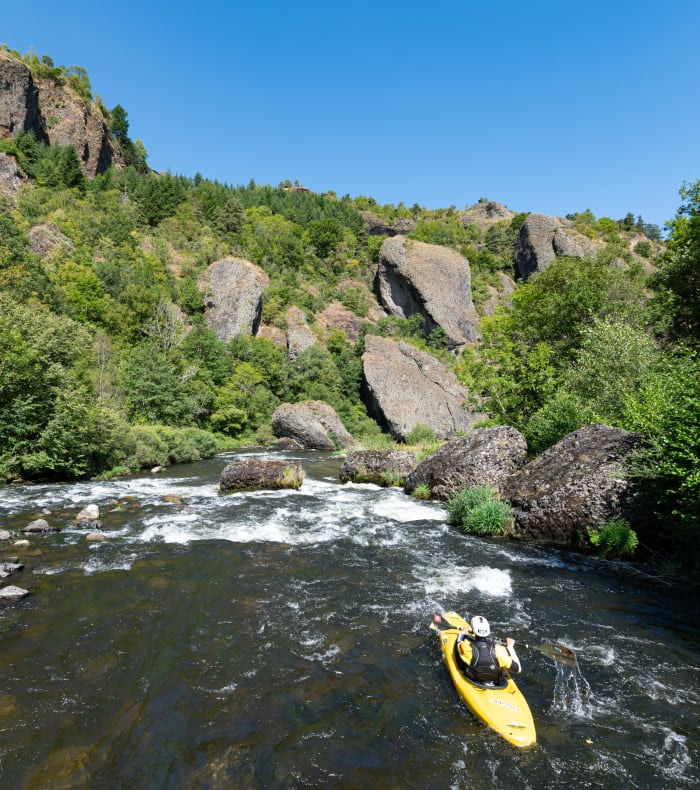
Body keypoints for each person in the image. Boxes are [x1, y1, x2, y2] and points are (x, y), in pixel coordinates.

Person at [456, 615, 521, 684]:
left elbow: (459, 642)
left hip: (474, 678)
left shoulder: (466, 646)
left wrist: (463, 633)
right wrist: (510, 647)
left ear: (473, 630)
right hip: (495, 680)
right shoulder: (499, 649)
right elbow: (518, 669)